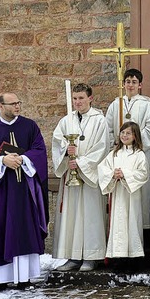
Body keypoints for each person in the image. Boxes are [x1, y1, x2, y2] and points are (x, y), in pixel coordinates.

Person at [52, 83, 111, 272]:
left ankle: (91, 256)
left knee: (91, 216)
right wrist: (65, 153)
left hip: (90, 176)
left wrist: (81, 162)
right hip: (71, 174)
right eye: (75, 98)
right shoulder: (66, 121)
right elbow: (57, 142)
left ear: (90, 98)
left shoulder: (99, 120)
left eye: (81, 98)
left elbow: (102, 148)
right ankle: (73, 256)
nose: (77, 102)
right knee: (71, 216)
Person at [0, 93, 47, 289]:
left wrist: (23, 159)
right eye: (13, 103)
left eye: (18, 102)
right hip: (0, 192)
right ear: (0, 106)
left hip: (24, 191)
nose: (17, 106)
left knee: (23, 229)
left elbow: (39, 149)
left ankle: (25, 277)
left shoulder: (29, 126)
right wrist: (1, 161)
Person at [105, 68, 150, 231]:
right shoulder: (116, 105)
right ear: (124, 84)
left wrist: (135, 143)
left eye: (134, 82)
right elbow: (108, 129)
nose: (130, 85)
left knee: (140, 197)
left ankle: (142, 232)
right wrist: (117, 144)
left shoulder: (146, 105)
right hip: (120, 155)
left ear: (140, 85)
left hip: (139, 154)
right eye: (127, 82)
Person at [97, 122, 148, 267]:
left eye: (128, 133)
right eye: (122, 132)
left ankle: (133, 259)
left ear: (135, 136)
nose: (124, 136)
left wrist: (125, 174)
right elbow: (103, 169)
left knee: (131, 222)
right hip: (117, 193)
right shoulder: (114, 154)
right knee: (118, 224)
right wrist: (112, 174)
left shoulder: (139, 155)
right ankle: (118, 259)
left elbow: (143, 174)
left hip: (131, 195)